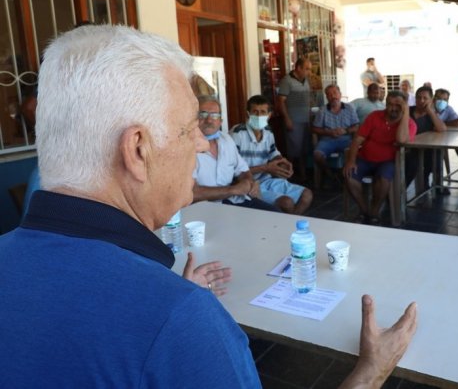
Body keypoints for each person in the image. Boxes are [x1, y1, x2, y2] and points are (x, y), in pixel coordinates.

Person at [0, 25, 418, 387]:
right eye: (189, 129)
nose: (202, 143)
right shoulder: (180, 320)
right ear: (138, 150)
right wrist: (373, 370)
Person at [193, 95, 279, 212]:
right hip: (203, 208)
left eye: (214, 115)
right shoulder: (185, 148)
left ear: (220, 121)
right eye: (203, 114)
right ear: (194, 118)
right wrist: (233, 190)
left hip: (234, 201)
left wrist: (249, 182)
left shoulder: (226, 140)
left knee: (274, 213)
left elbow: (243, 170)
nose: (209, 120)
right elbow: (191, 193)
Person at [230, 95, 313, 214]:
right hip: (247, 183)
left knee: (306, 195)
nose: (259, 116)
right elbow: (232, 170)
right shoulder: (237, 134)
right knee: (286, 203)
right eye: (255, 112)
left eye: (263, 112)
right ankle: (289, 223)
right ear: (248, 114)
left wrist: (283, 162)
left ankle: (289, 222)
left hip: (266, 180)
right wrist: (266, 168)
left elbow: (273, 153)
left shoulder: (268, 132)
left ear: (269, 115)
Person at [343, 91, 417, 225]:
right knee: (349, 175)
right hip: (365, 159)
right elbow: (357, 139)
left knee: (383, 179)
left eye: (398, 105)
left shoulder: (410, 124)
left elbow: (401, 139)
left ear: (404, 106)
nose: (393, 108)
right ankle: (364, 210)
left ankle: (375, 211)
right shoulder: (374, 116)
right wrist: (351, 161)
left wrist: (405, 112)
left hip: (387, 162)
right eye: (389, 104)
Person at [312, 84, 360, 187]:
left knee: (356, 151)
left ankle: (349, 177)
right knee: (317, 155)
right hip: (327, 140)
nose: (333, 96)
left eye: (335, 93)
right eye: (329, 94)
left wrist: (345, 130)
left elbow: (357, 126)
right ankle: (330, 174)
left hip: (346, 139)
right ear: (327, 97)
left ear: (340, 94)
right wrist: (329, 132)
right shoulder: (322, 110)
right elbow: (315, 128)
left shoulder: (349, 108)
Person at [277, 57, 312, 182]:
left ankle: (303, 175)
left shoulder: (306, 80)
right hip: (293, 120)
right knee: (293, 149)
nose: (309, 72)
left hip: (305, 120)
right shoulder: (286, 81)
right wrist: (287, 119)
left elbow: (308, 99)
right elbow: (281, 102)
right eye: (307, 69)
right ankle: (287, 176)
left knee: (304, 149)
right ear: (298, 68)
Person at [406, 86, 447, 190]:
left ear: (431, 100)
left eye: (425, 98)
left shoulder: (431, 114)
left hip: (426, 148)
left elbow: (442, 128)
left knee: (436, 154)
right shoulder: (408, 111)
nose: (421, 101)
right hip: (409, 148)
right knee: (412, 165)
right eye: (418, 97)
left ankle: (435, 184)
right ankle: (401, 192)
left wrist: (430, 111)